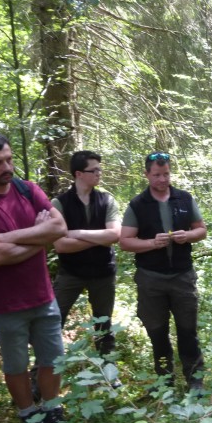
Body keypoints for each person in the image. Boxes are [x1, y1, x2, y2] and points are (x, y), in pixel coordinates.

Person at [0, 131, 81, 423]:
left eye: (9, 159)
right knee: (17, 364)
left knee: (53, 358)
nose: (7, 167)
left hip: (41, 293)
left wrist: (10, 238)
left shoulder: (27, 190)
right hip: (4, 301)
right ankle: (29, 418)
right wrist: (39, 238)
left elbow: (59, 227)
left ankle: (53, 412)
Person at [119, 152, 208, 390]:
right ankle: (164, 381)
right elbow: (125, 241)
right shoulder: (138, 204)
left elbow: (201, 230)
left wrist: (187, 235)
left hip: (182, 276)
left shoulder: (184, 198)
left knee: (188, 330)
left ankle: (195, 380)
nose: (162, 179)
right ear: (147, 174)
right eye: (157, 175)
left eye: (166, 174)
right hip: (151, 278)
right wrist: (151, 243)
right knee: (157, 331)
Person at [52, 151, 120, 359]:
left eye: (100, 168)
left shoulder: (107, 200)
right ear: (79, 173)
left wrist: (78, 233)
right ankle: (44, 373)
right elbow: (61, 245)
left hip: (103, 271)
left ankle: (108, 373)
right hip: (71, 272)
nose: (99, 173)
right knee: (53, 320)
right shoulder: (59, 203)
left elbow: (115, 235)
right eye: (94, 170)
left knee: (103, 322)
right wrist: (99, 238)